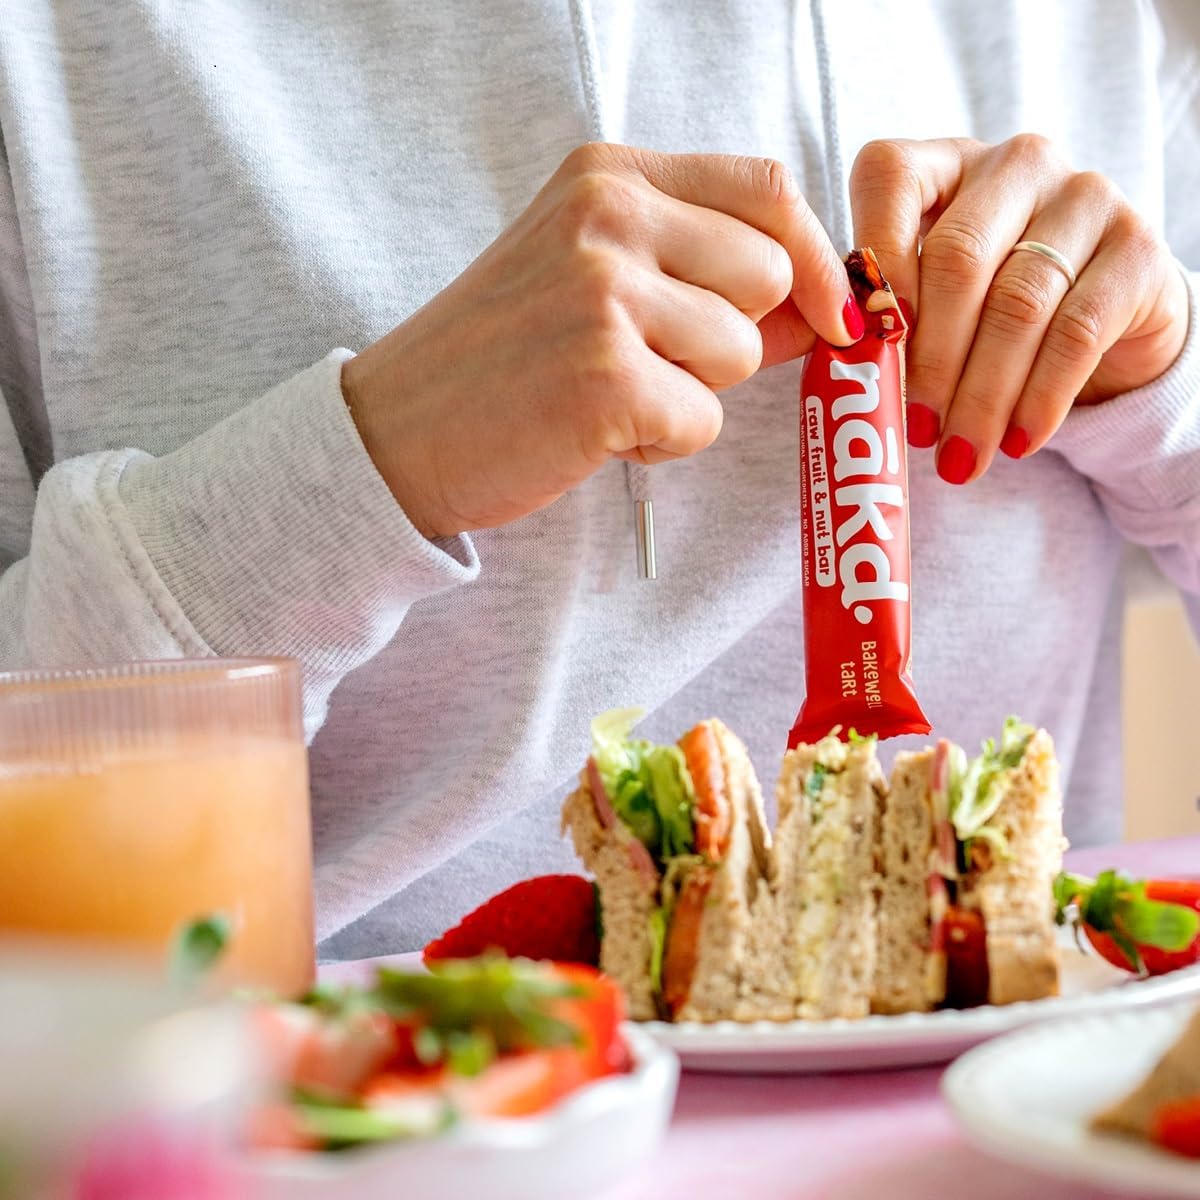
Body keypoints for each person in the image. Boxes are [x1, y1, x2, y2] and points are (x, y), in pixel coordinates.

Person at [1, 1, 1197, 959]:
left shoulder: (1085, 24)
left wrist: (1166, 387)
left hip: (1017, 1105)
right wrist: (368, 463)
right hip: (365, 1122)